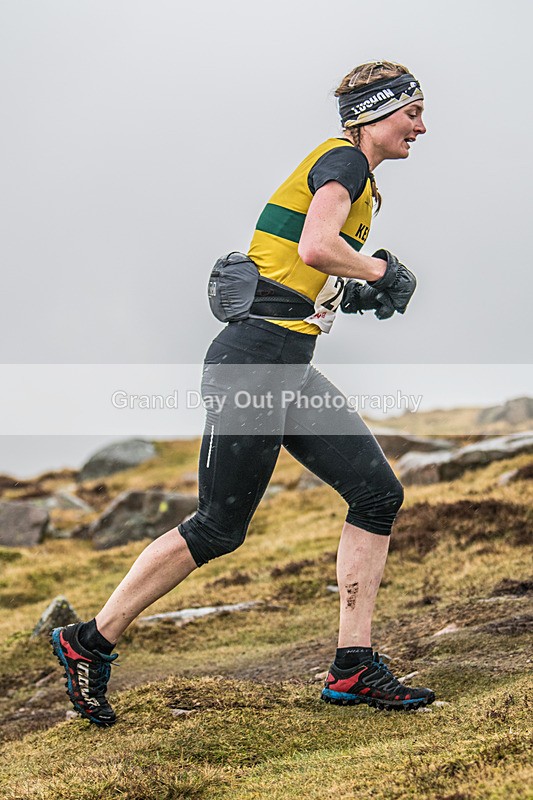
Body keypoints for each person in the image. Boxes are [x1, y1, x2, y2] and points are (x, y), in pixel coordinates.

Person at [51, 60, 434, 726]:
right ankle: (87, 642)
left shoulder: (352, 176)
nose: (421, 127)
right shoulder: (344, 164)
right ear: (376, 113)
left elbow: (303, 263)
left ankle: (352, 666)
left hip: (285, 362)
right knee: (217, 528)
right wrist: (380, 267)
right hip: (255, 365)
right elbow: (316, 246)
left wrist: (357, 289)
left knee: (377, 493)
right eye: (412, 113)